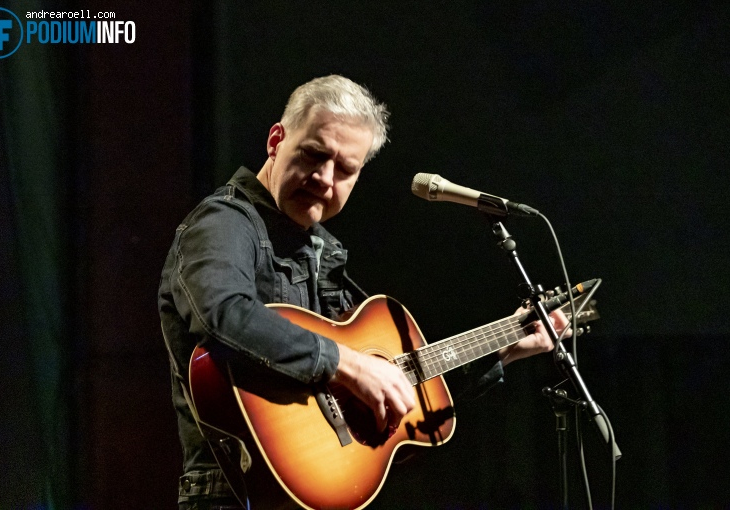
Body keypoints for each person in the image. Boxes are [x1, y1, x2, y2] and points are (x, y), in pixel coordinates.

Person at [158, 75, 566, 510]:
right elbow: (221, 314)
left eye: (345, 169)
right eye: (314, 154)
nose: (324, 178)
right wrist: (345, 364)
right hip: (234, 498)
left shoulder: (321, 252)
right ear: (276, 140)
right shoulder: (224, 223)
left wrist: (505, 347)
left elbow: (397, 383)